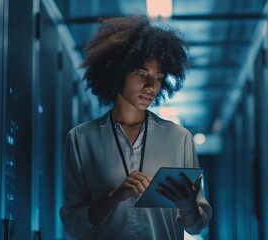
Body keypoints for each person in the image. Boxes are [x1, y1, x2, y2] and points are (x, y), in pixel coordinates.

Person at [59, 15, 212, 240]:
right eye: (141, 74)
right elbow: (73, 225)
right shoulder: (81, 139)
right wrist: (114, 196)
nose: (151, 86)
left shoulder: (179, 138)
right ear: (118, 71)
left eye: (158, 78)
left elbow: (197, 227)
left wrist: (188, 206)